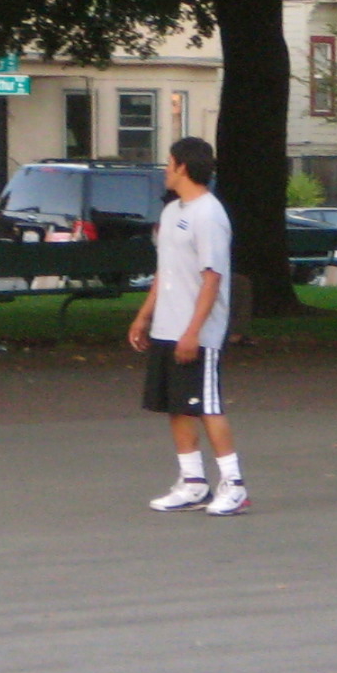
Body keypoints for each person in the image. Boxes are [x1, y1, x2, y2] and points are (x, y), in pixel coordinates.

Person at [131, 136, 248, 516]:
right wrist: (144, 315)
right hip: (167, 325)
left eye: (169, 162)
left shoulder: (209, 214)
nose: (165, 169)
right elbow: (165, 271)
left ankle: (234, 485)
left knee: (206, 405)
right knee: (176, 406)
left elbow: (212, 279)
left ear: (183, 166)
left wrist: (193, 331)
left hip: (197, 331)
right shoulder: (170, 214)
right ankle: (193, 482)